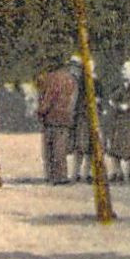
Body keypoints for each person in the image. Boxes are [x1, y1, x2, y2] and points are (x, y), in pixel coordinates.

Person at [35, 56, 77, 185]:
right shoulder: (71, 79)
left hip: (51, 116)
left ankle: (52, 175)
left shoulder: (51, 78)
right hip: (66, 117)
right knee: (61, 148)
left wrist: (40, 111)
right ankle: (62, 175)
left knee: (50, 149)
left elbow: (49, 97)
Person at [105, 60, 130, 184]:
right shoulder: (122, 85)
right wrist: (118, 105)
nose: (122, 72)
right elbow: (112, 99)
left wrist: (118, 105)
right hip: (120, 121)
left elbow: (127, 105)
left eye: (125, 70)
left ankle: (128, 174)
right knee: (115, 148)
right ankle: (118, 172)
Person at [66, 55, 94, 183]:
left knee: (87, 147)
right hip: (79, 118)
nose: (73, 70)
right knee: (79, 147)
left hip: (86, 118)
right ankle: (76, 173)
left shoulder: (88, 82)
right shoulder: (74, 81)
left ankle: (84, 174)